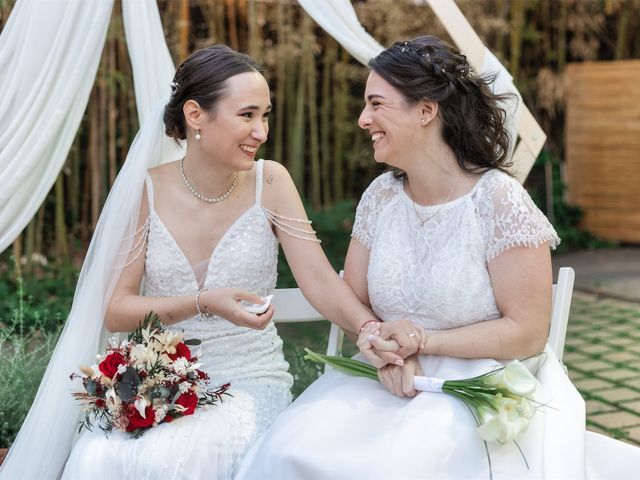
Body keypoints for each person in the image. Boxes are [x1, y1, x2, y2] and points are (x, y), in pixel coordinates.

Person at [235, 36, 640, 479]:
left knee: (402, 463)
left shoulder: (499, 201)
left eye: (376, 104)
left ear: (426, 111)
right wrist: (381, 348)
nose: (362, 119)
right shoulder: (380, 198)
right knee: (296, 448)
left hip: (474, 387)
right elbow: (353, 302)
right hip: (382, 380)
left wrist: (422, 343)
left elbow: (525, 331)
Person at [0, 45, 389, 480]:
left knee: (190, 454)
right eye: (247, 115)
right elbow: (115, 308)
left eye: (266, 116)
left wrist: (369, 328)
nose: (261, 131)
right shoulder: (147, 191)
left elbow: (319, 280)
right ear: (195, 115)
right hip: (161, 382)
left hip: (248, 379)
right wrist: (202, 301)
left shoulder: (272, 181)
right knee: (98, 456)